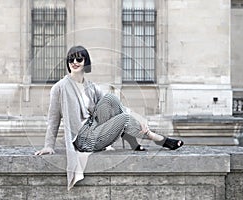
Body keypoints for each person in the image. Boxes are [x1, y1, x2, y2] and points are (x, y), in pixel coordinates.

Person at [35, 45, 183, 190]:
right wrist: (49, 145)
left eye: (79, 59)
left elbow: (114, 106)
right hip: (83, 140)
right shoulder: (60, 87)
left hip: (94, 127)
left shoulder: (91, 87)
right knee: (124, 118)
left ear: (85, 62)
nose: (74, 62)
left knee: (110, 98)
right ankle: (158, 139)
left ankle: (135, 135)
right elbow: (53, 119)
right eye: (71, 60)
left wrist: (139, 118)